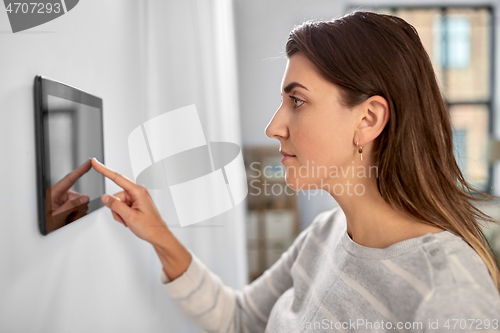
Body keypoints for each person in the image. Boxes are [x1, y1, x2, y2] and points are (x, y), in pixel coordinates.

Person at [91, 11, 500, 333]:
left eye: (297, 101)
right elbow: (240, 321)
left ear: (369, 119)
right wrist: (159, 235)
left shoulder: (448, 293)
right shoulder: (324, 234)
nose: (273, 127)